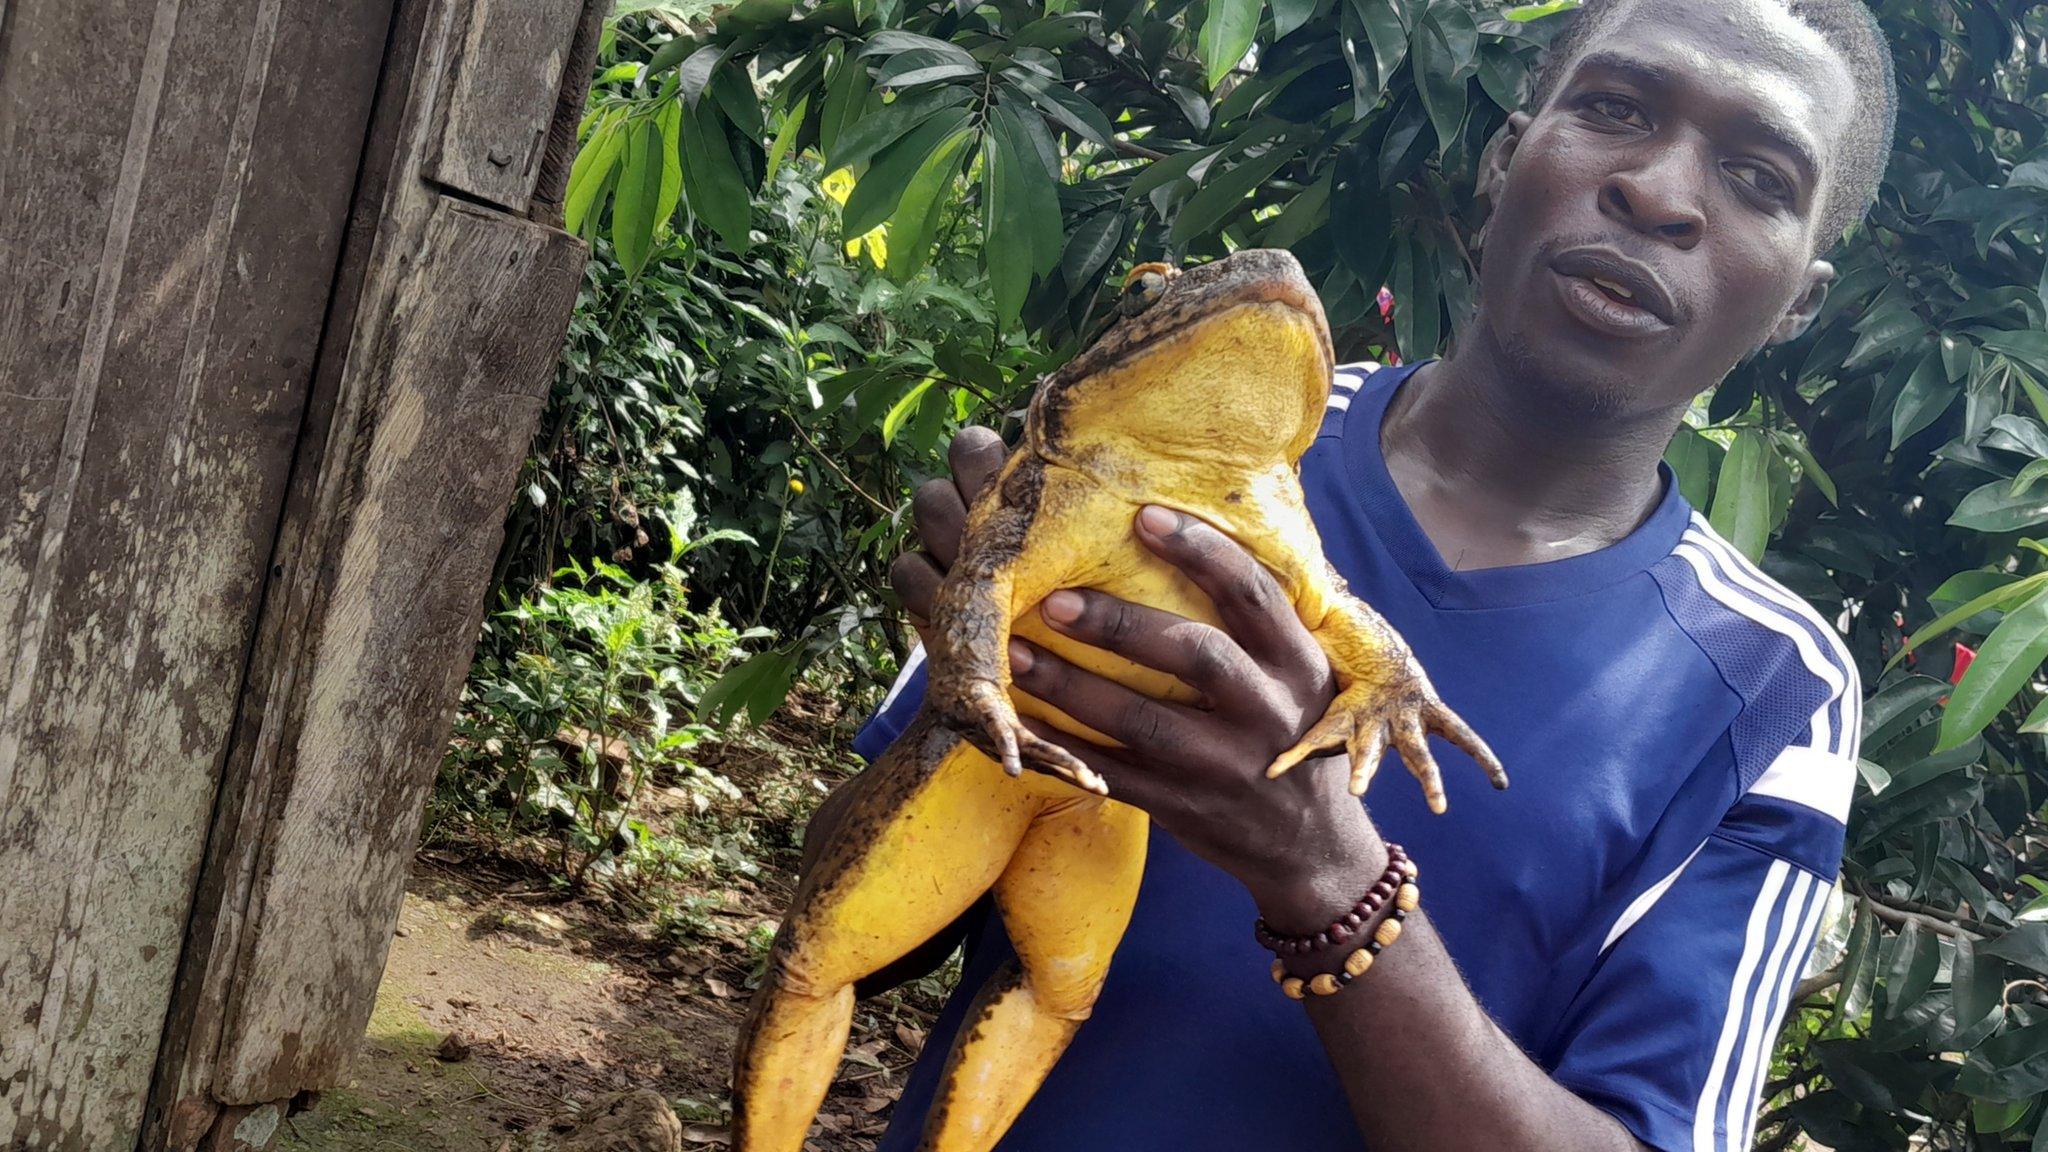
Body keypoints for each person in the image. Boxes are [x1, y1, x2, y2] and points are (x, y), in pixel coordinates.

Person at [807, 0, 1896, 1148]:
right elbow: (857, 939)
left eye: (1757, 176)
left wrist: (1324, 874)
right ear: (1501, 155)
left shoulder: (1772, 686)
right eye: (1614, 109)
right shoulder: (1172, 429)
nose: (1659, 194)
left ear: (1800, 304)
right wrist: (969, 677)